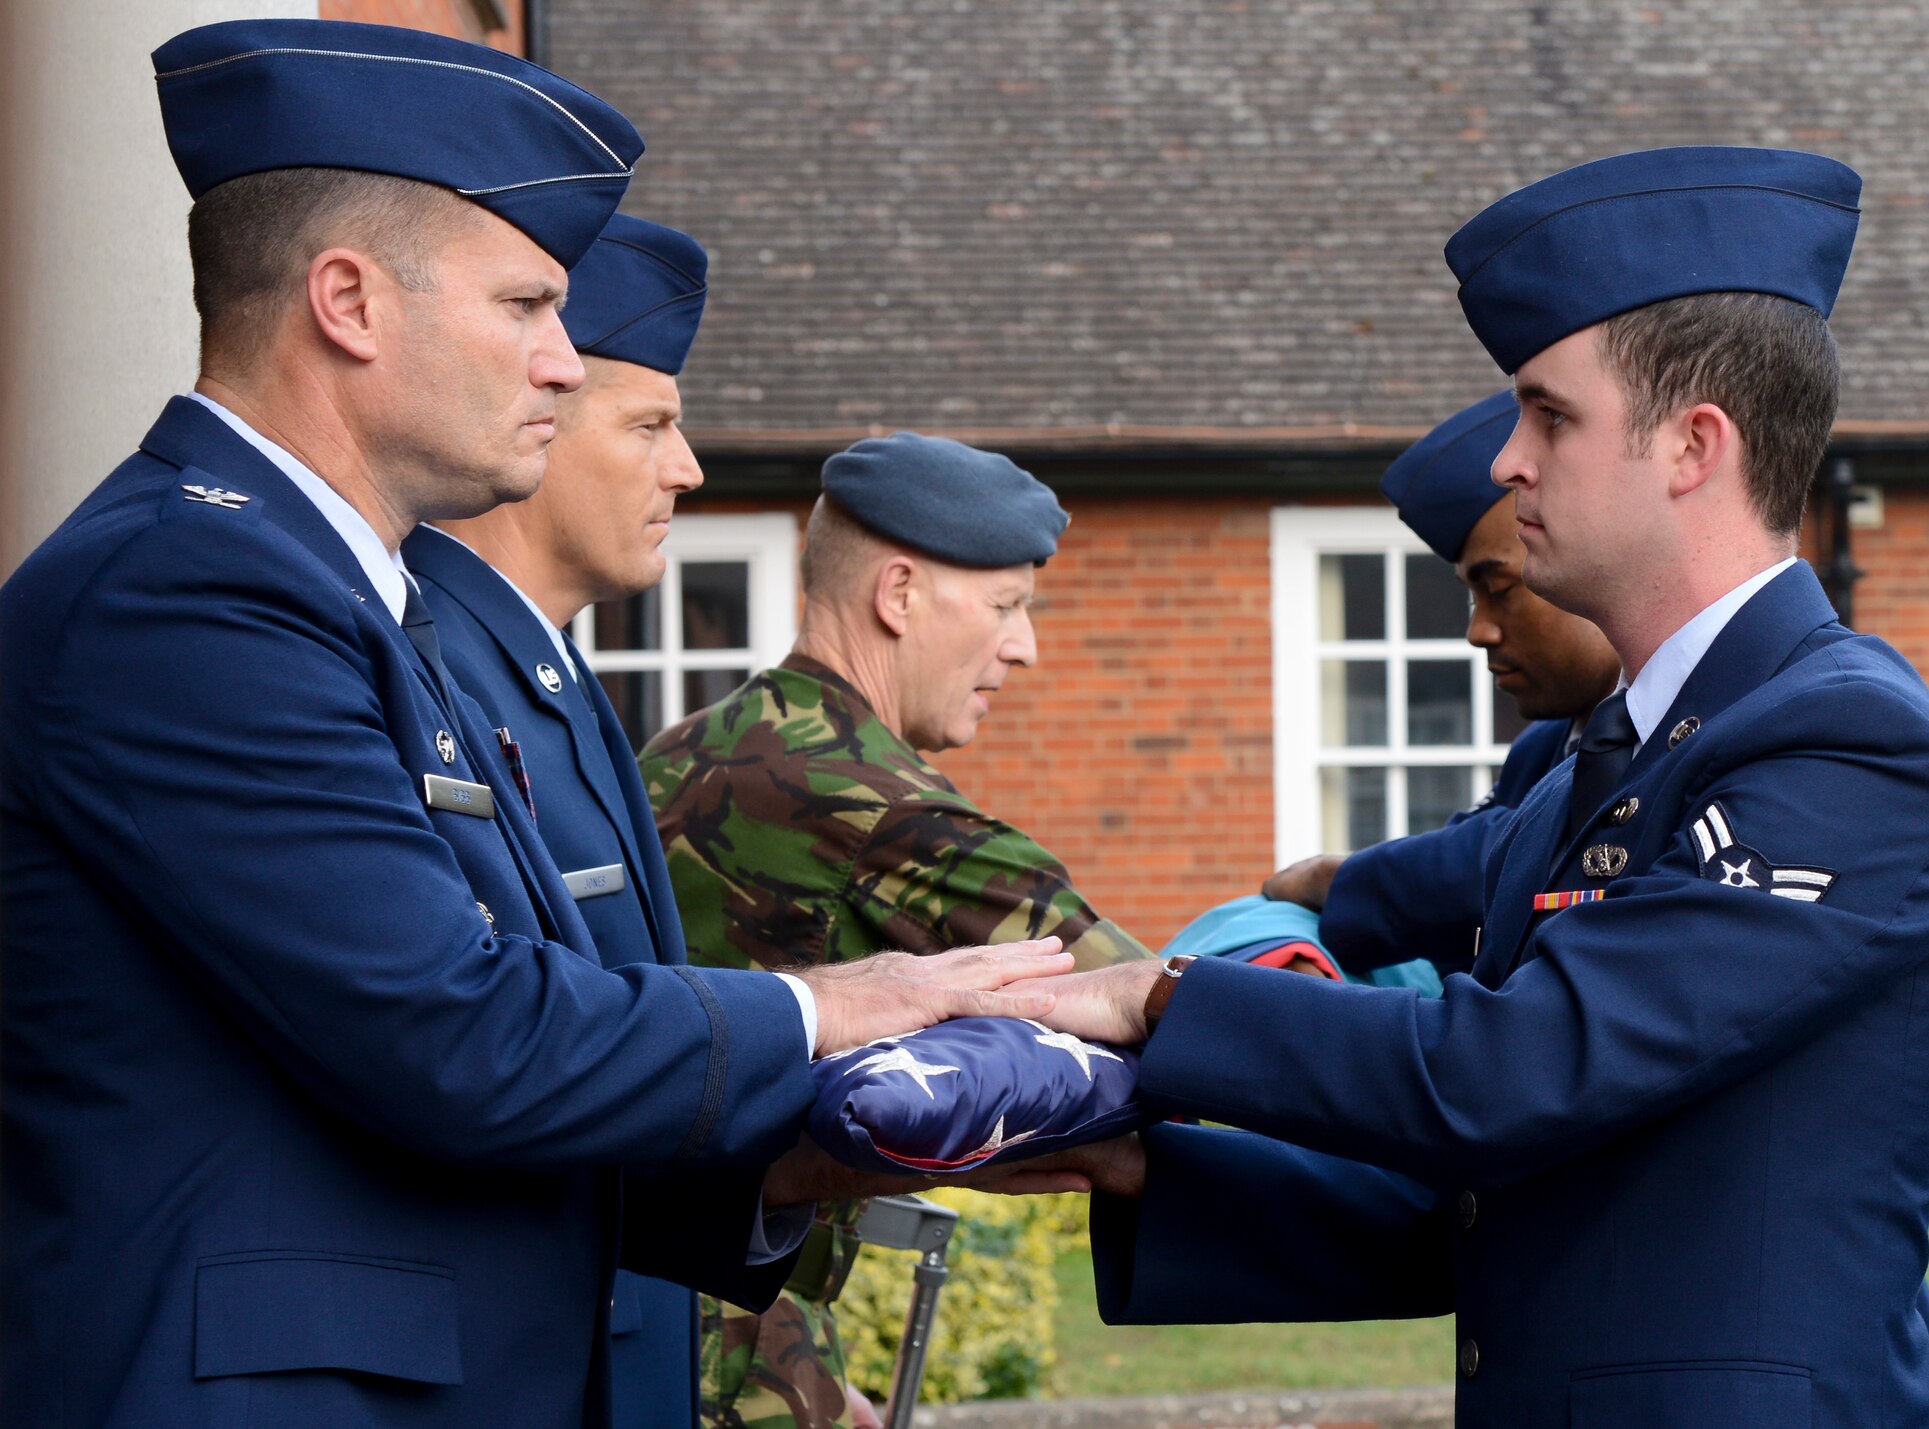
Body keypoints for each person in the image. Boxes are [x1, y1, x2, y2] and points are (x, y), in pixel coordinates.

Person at [0, 23, 1072, 1428]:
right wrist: (826, 1010)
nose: (567, 367)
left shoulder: (355, 594)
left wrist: (792, 1159)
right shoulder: (190, 591)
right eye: (526, 307)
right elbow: (455, 1034)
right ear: (349, 301)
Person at [1041, 147, 1929, 1429]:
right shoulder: (1593, 769)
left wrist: (1153, 1001)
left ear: (1690, 445)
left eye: (1549, 416)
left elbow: (1508, 1069)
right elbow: (1506, 1196)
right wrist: (1134, 1167)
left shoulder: (1840, 747)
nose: (1504, 460)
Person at [642, 433, 1152, 1428]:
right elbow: (1136, 998)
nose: (1024, 645)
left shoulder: (681, 750)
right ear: (899, 593)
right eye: (1005, 606)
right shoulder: (882, 807)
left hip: (647, 1276)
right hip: (709, 1329)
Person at [401, 215, 717, 1429]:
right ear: (541, 428)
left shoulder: (549, 673)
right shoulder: (440, 668)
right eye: (647, 425)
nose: (685, 468)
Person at [1262, 389, 1620, 976]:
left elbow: (1501, 857)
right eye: (1472, 596)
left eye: (1499, 588)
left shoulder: (1672, 724)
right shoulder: (1546, 746)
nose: (1478, 631)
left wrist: (1333, 877)